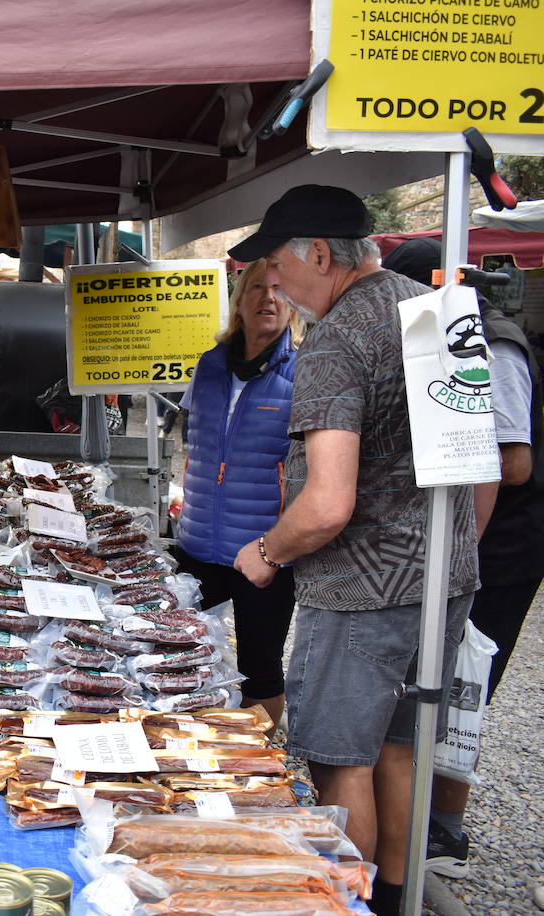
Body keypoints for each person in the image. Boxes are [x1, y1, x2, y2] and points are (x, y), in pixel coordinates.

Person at [229, 185, 478, 916]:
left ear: (317, 253)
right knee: (401, 749)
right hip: (443, 581)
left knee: (343, 764)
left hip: (361, 594)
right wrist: (453, 553)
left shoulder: (338, 338)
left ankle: (350, 903)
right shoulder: (437, 308)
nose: (272, 281)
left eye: (276, 263)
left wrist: (268, 552)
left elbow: (328, 502)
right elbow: (483, 464)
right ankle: (398, 900)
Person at [381, 237, 544, 878]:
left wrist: (456, 555)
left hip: (501, 538)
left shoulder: (490, 342)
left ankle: (444, 829)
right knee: (431, 675)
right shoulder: (437, 333)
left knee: (466, 673)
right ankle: (416, 815)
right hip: (459, 534)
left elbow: (512, 460)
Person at [172, 258, 299, 724]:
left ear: (292, 306)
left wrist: (279, 548)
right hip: (197, 542)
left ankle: (260, 765)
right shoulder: (208, 366)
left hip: (264, 550)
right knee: (174, 650)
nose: (268, 298)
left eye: (280, 290)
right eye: (257, 288)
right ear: (239, 302)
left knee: (259, 668)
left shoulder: (301, 374)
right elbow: (195, 445)